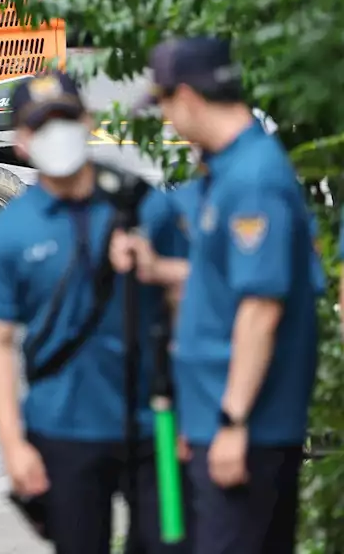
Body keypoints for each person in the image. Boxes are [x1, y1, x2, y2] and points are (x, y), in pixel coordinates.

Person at [111, 37, 324, 554]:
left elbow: (260, 308)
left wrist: (231, 422)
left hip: (249, 428)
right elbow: (227, 289)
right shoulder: (230, 172)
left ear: (186, 96)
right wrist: (160, 269)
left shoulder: (253, 179)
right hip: (220, 419)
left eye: (163, 104)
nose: (167, 118)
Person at [0, 71, 190, 554]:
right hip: (63, 429)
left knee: (171, 543)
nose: (56, 133)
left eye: (66, 119)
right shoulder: (9, 233)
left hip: (156, 425)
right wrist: (13, 446)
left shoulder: (142, 206)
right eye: (41, 124)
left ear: (87, 121)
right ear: (21, 141)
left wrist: (192, 412)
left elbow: (188, 302)